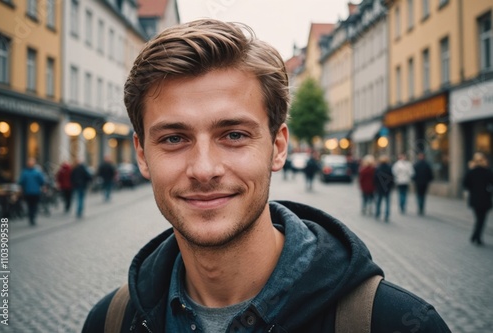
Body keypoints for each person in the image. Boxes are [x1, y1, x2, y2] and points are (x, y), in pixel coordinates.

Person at [82, 19, 450, 332]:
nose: (204, 169)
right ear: (143, 155)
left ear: (277, 147)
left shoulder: (391, 322)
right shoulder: (110, 321)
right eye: (174, 138)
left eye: (234, 135)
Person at [463, 152, 493, 246]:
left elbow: (465, 184)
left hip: (475, 199)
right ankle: (477, 237)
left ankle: (475, 236)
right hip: (485, 199)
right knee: (481, 219)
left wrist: (472, 189)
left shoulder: (471, 172)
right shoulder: (487, 171)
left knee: (478, 219)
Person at [18, 157, 45, 225]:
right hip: (33, 192)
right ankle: (32, 217)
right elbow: (42, 181)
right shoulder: (36, 172)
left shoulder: (25, 172)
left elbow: (21, 182)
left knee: (31, 205)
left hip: (31, 192)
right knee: (33, 205)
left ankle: (31, 217)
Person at [374, 155, 394, 222]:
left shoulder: (378, 168)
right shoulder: (389, 168)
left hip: (379, 188)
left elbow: (375, 178)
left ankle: (377, 213)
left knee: (379, 201)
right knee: (387, 202)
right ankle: (387, 214)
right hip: (387, 188)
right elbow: (392, 178)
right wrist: (390, 186)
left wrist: (376, 186)